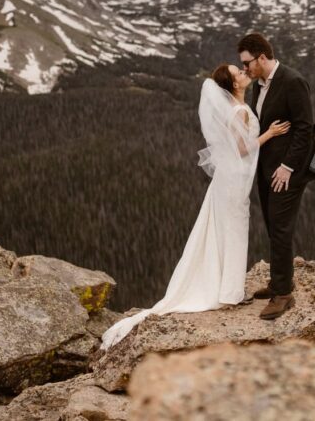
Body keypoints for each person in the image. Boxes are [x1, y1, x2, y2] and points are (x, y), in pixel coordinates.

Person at [99, 63, 290, 350]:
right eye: (238, 72)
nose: (243, 73)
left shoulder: (235, 107)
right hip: (233, 180)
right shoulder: (238, 110)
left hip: (230, 178)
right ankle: (229, 290)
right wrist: (269, 135)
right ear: (233, 85)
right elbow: (240, 149)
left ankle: (228, 287)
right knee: (234, 229)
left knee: (226, 229)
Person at [238, 32, 315, 320]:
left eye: (247, 63)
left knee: (281, 228)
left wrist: (288, 167)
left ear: (262, 57)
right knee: (273, 225)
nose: (245, 69)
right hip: (265, 167)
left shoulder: (293, 81)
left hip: (287, 171)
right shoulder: (259, 84)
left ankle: (283, 293)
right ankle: (279, 279)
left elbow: (304, 129)